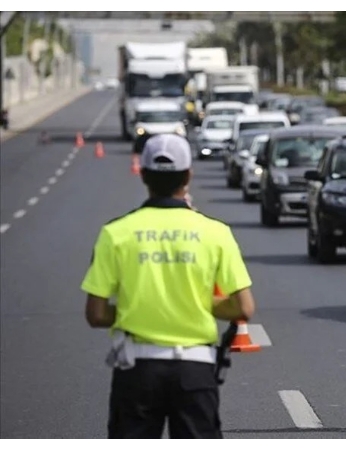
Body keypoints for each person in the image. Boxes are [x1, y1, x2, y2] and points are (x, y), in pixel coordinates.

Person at [81, 133, 256, 439]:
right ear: (188, 176)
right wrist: (201, 305)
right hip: (195, 370)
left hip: (136, 370)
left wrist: (136, 309)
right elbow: (243, 308)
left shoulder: (115, 233)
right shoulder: (215, 233)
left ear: (144, 174)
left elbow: (95, 314)